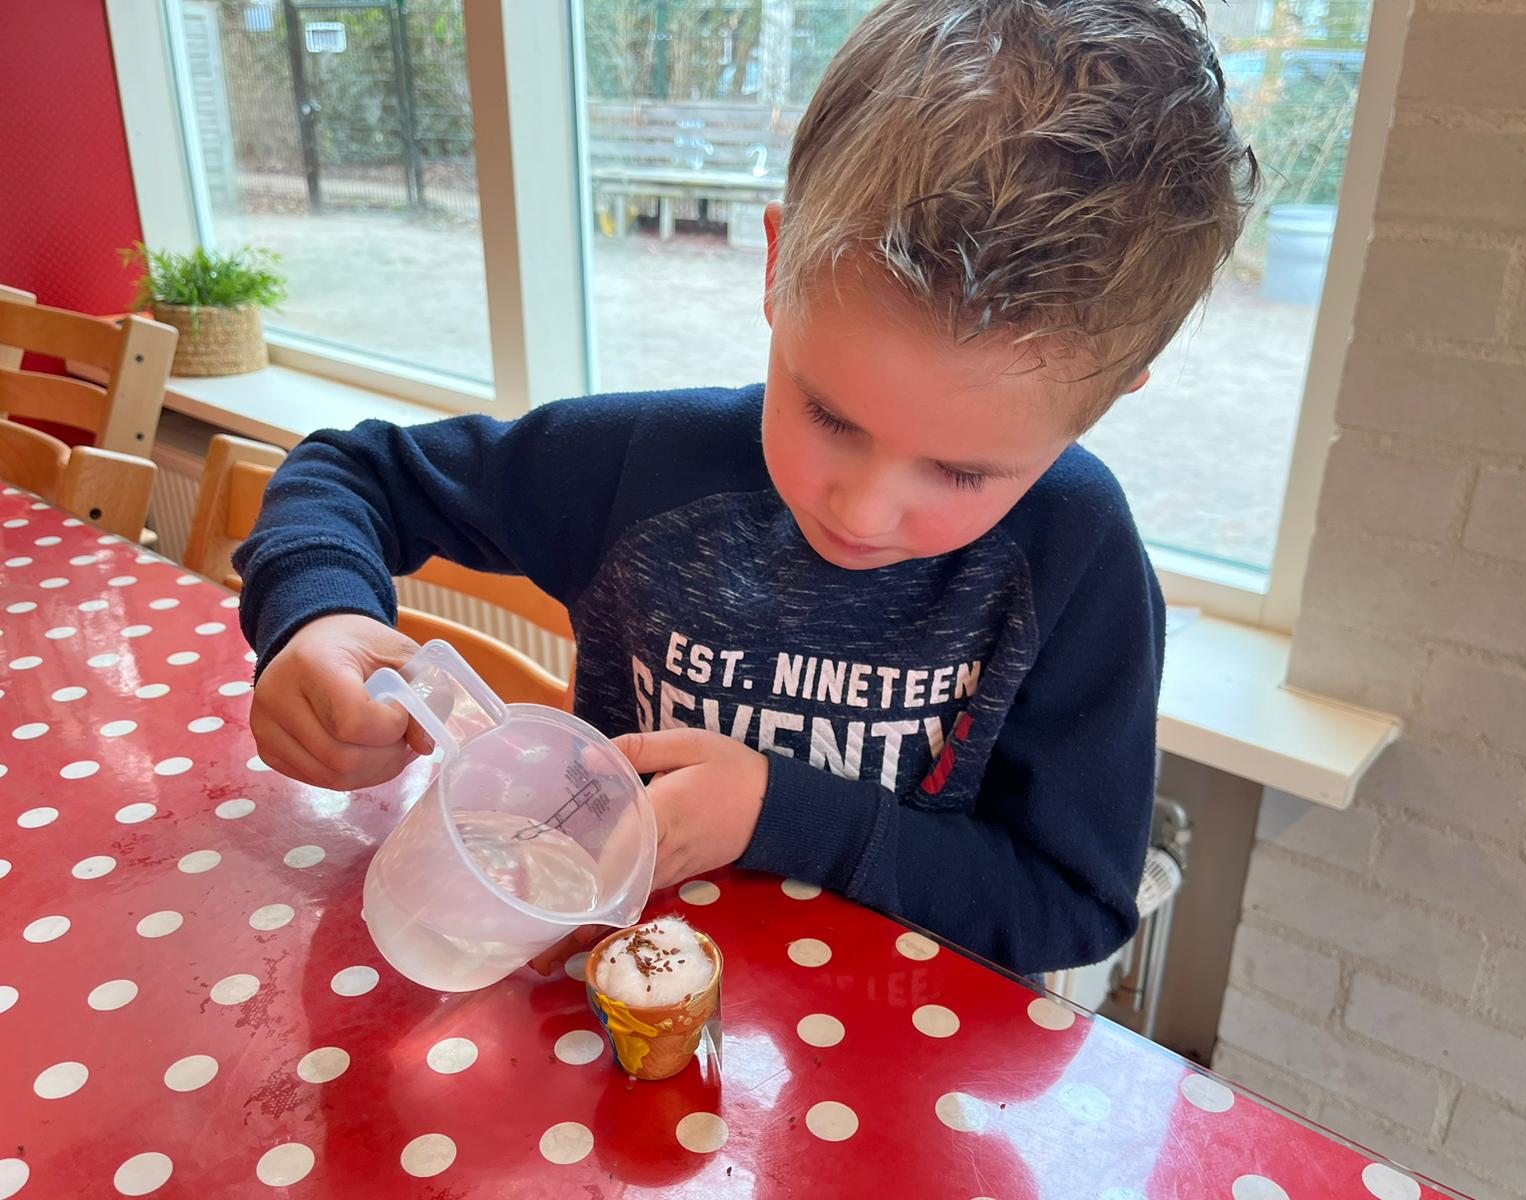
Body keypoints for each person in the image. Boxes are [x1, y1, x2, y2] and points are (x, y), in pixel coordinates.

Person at [236, 0, 1256, 975]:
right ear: (776, 268)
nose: (860, 510)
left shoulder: (1078, 551)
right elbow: (349, 474)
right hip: (608, 1013)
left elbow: (1071, 904)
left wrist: (780, 814)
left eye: (960, 472)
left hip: (897, 1053)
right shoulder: (639, 465)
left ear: (1104, 399)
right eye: (829, 416)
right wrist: (316, 620)